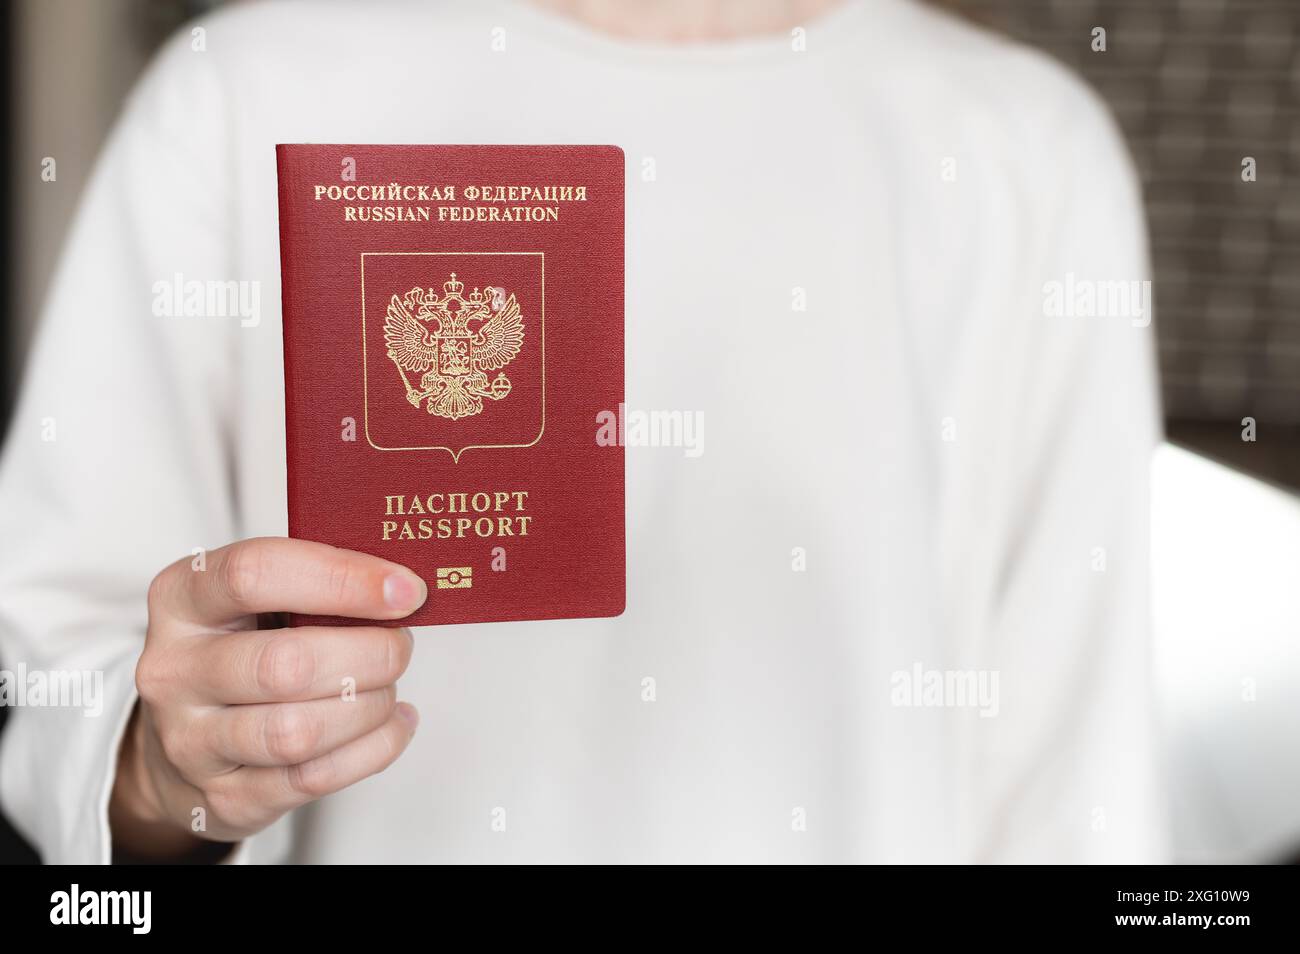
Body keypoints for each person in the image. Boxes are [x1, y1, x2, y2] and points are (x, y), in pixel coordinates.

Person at [0, 0, 1165, 863]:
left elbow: (1079, 773)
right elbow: (68, 707)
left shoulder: (1028, 149)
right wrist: (159, 775)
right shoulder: (240, 88)